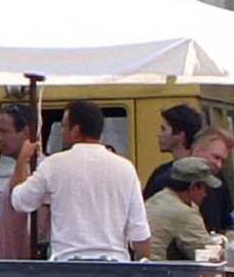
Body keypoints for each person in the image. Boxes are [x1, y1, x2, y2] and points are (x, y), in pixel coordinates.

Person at [10, 100, 151, 262]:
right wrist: (144, 264)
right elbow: (139, 232)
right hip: (114, 266)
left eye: (63, 126)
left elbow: (19, 201)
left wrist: (22, 160)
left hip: (67, 266)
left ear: (75, 130)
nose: (61, 131)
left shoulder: (53, 165)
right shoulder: (126, 169)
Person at [143, 125, 234, 233]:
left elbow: (224, 225)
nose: (218, 165)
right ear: (197, 151)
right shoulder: (164, 177)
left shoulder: (219, 181)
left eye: (223, 161)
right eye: (216, 157)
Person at [146, 157, 222, 261]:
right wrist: (230, 255)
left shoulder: (157, 198)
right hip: (161, 269)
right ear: (193, 186)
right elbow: (207, 255)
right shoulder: (184, 213)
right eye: (205, 188)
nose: (205, 194)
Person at [0, 104, 33, 259]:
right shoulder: (20, 170)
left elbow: (37, 227)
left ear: (25, 132)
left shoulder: (36, 173)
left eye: (4, 132)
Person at [143, 104, 203, 200]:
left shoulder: (162, 177)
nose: (158, 134)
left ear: (180, 135)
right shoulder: (160, 172)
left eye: (163, 129)